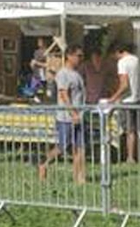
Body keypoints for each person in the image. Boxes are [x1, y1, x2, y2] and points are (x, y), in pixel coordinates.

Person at [39, 45, 88, 185]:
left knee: (80, 147)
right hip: (66, 118)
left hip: (80, 116)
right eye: (78, 56)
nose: (80, 59)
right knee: (62, 147)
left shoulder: (77, 73)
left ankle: (80, 178)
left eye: (81, 56)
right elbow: (63, 94)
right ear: (69, 56)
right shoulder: (63, 74)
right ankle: (44, 164)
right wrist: (73, 113)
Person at [107, 42, 140, 164]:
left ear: (118, 52)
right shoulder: (137, 60)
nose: (114, 59)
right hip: (139, 98)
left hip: (128, 100)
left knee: (129, 130)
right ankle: (136, 154)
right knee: (136, 130)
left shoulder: (122, 63)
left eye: (113, 56)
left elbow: (124, 85)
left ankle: (130, 157)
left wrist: (113, 98)